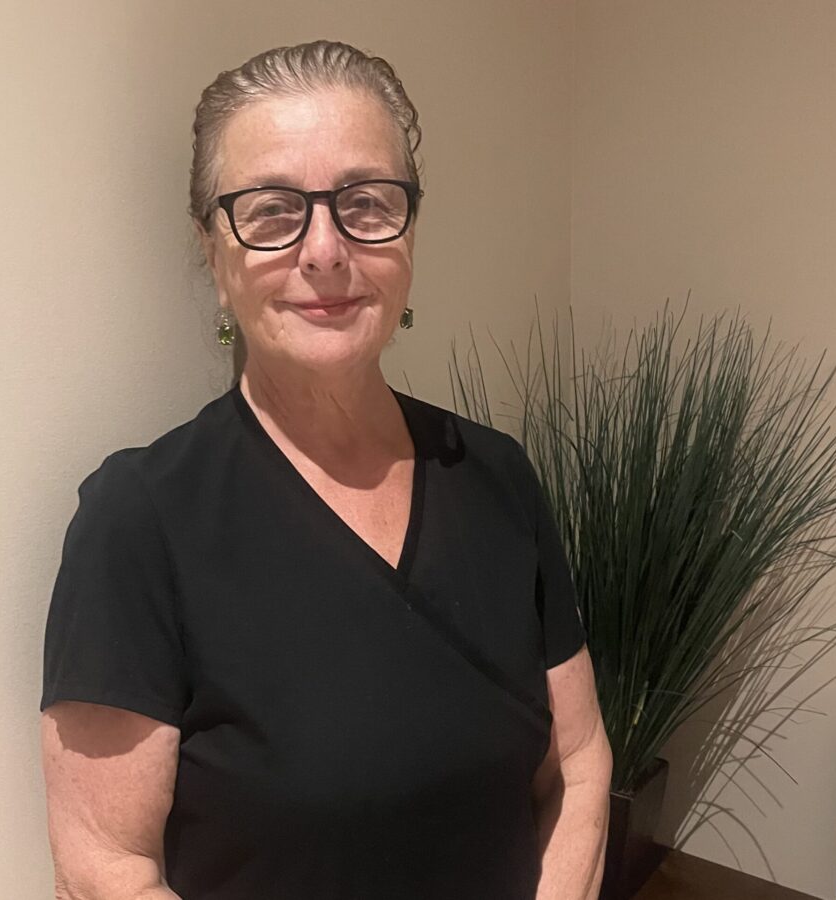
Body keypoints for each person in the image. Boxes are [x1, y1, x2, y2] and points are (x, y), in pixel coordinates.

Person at [39, 40, 612, 900]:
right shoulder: (141, 521)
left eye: (366, 202)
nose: (325, 249)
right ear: (213, 254)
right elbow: (104, 872)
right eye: (272, 211)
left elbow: (578, 762)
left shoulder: (499, 478)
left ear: (409, 232)